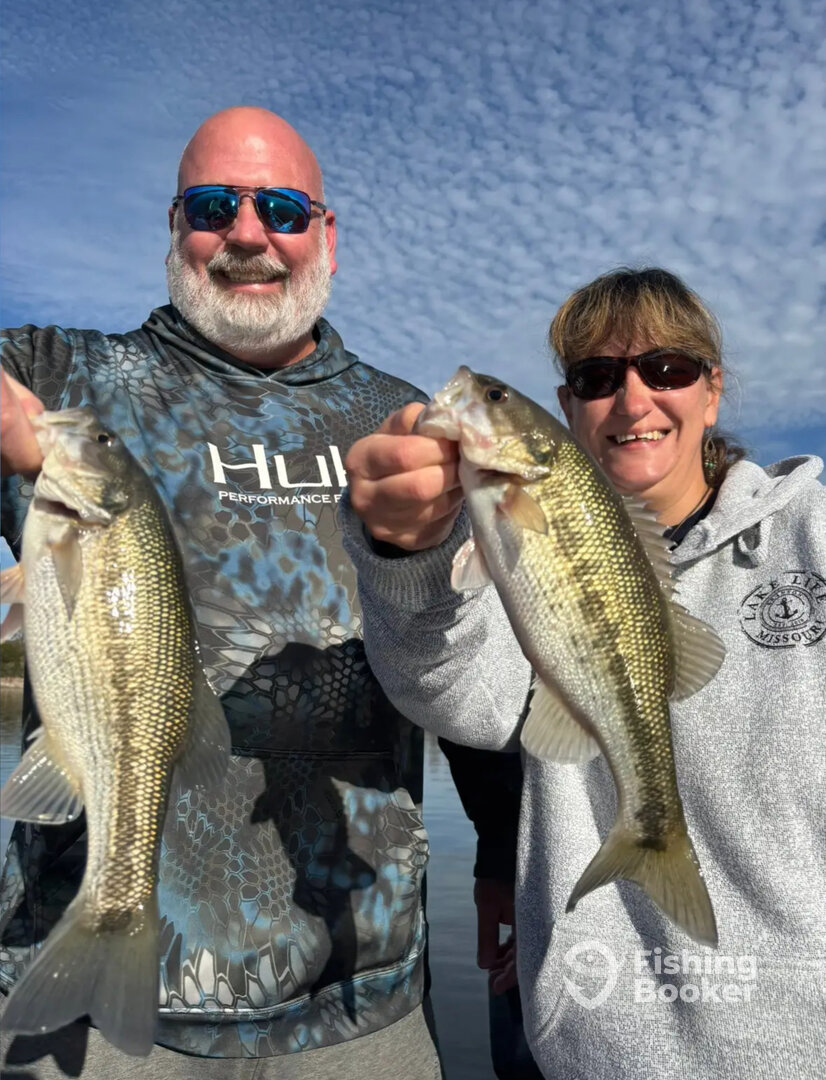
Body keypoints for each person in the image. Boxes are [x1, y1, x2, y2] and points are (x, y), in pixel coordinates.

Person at [0, 104, 514, 1080]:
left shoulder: (398, 415)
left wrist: (496, 853)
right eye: (212, 207)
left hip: (361, 1000)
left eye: (281, 209)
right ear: (174, 227)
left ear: (327, 235)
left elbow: (466, 648)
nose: (247, 233)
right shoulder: (56, 376)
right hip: (86, 1023)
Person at [341, 267, 826, 1078]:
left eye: (667, 369)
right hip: (589, 1047)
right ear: (567, 410)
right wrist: (407, 553)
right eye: (599, 378)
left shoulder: (814, 536)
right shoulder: (503, 545)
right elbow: (457, 693)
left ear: (712, 391)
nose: (634, 401)